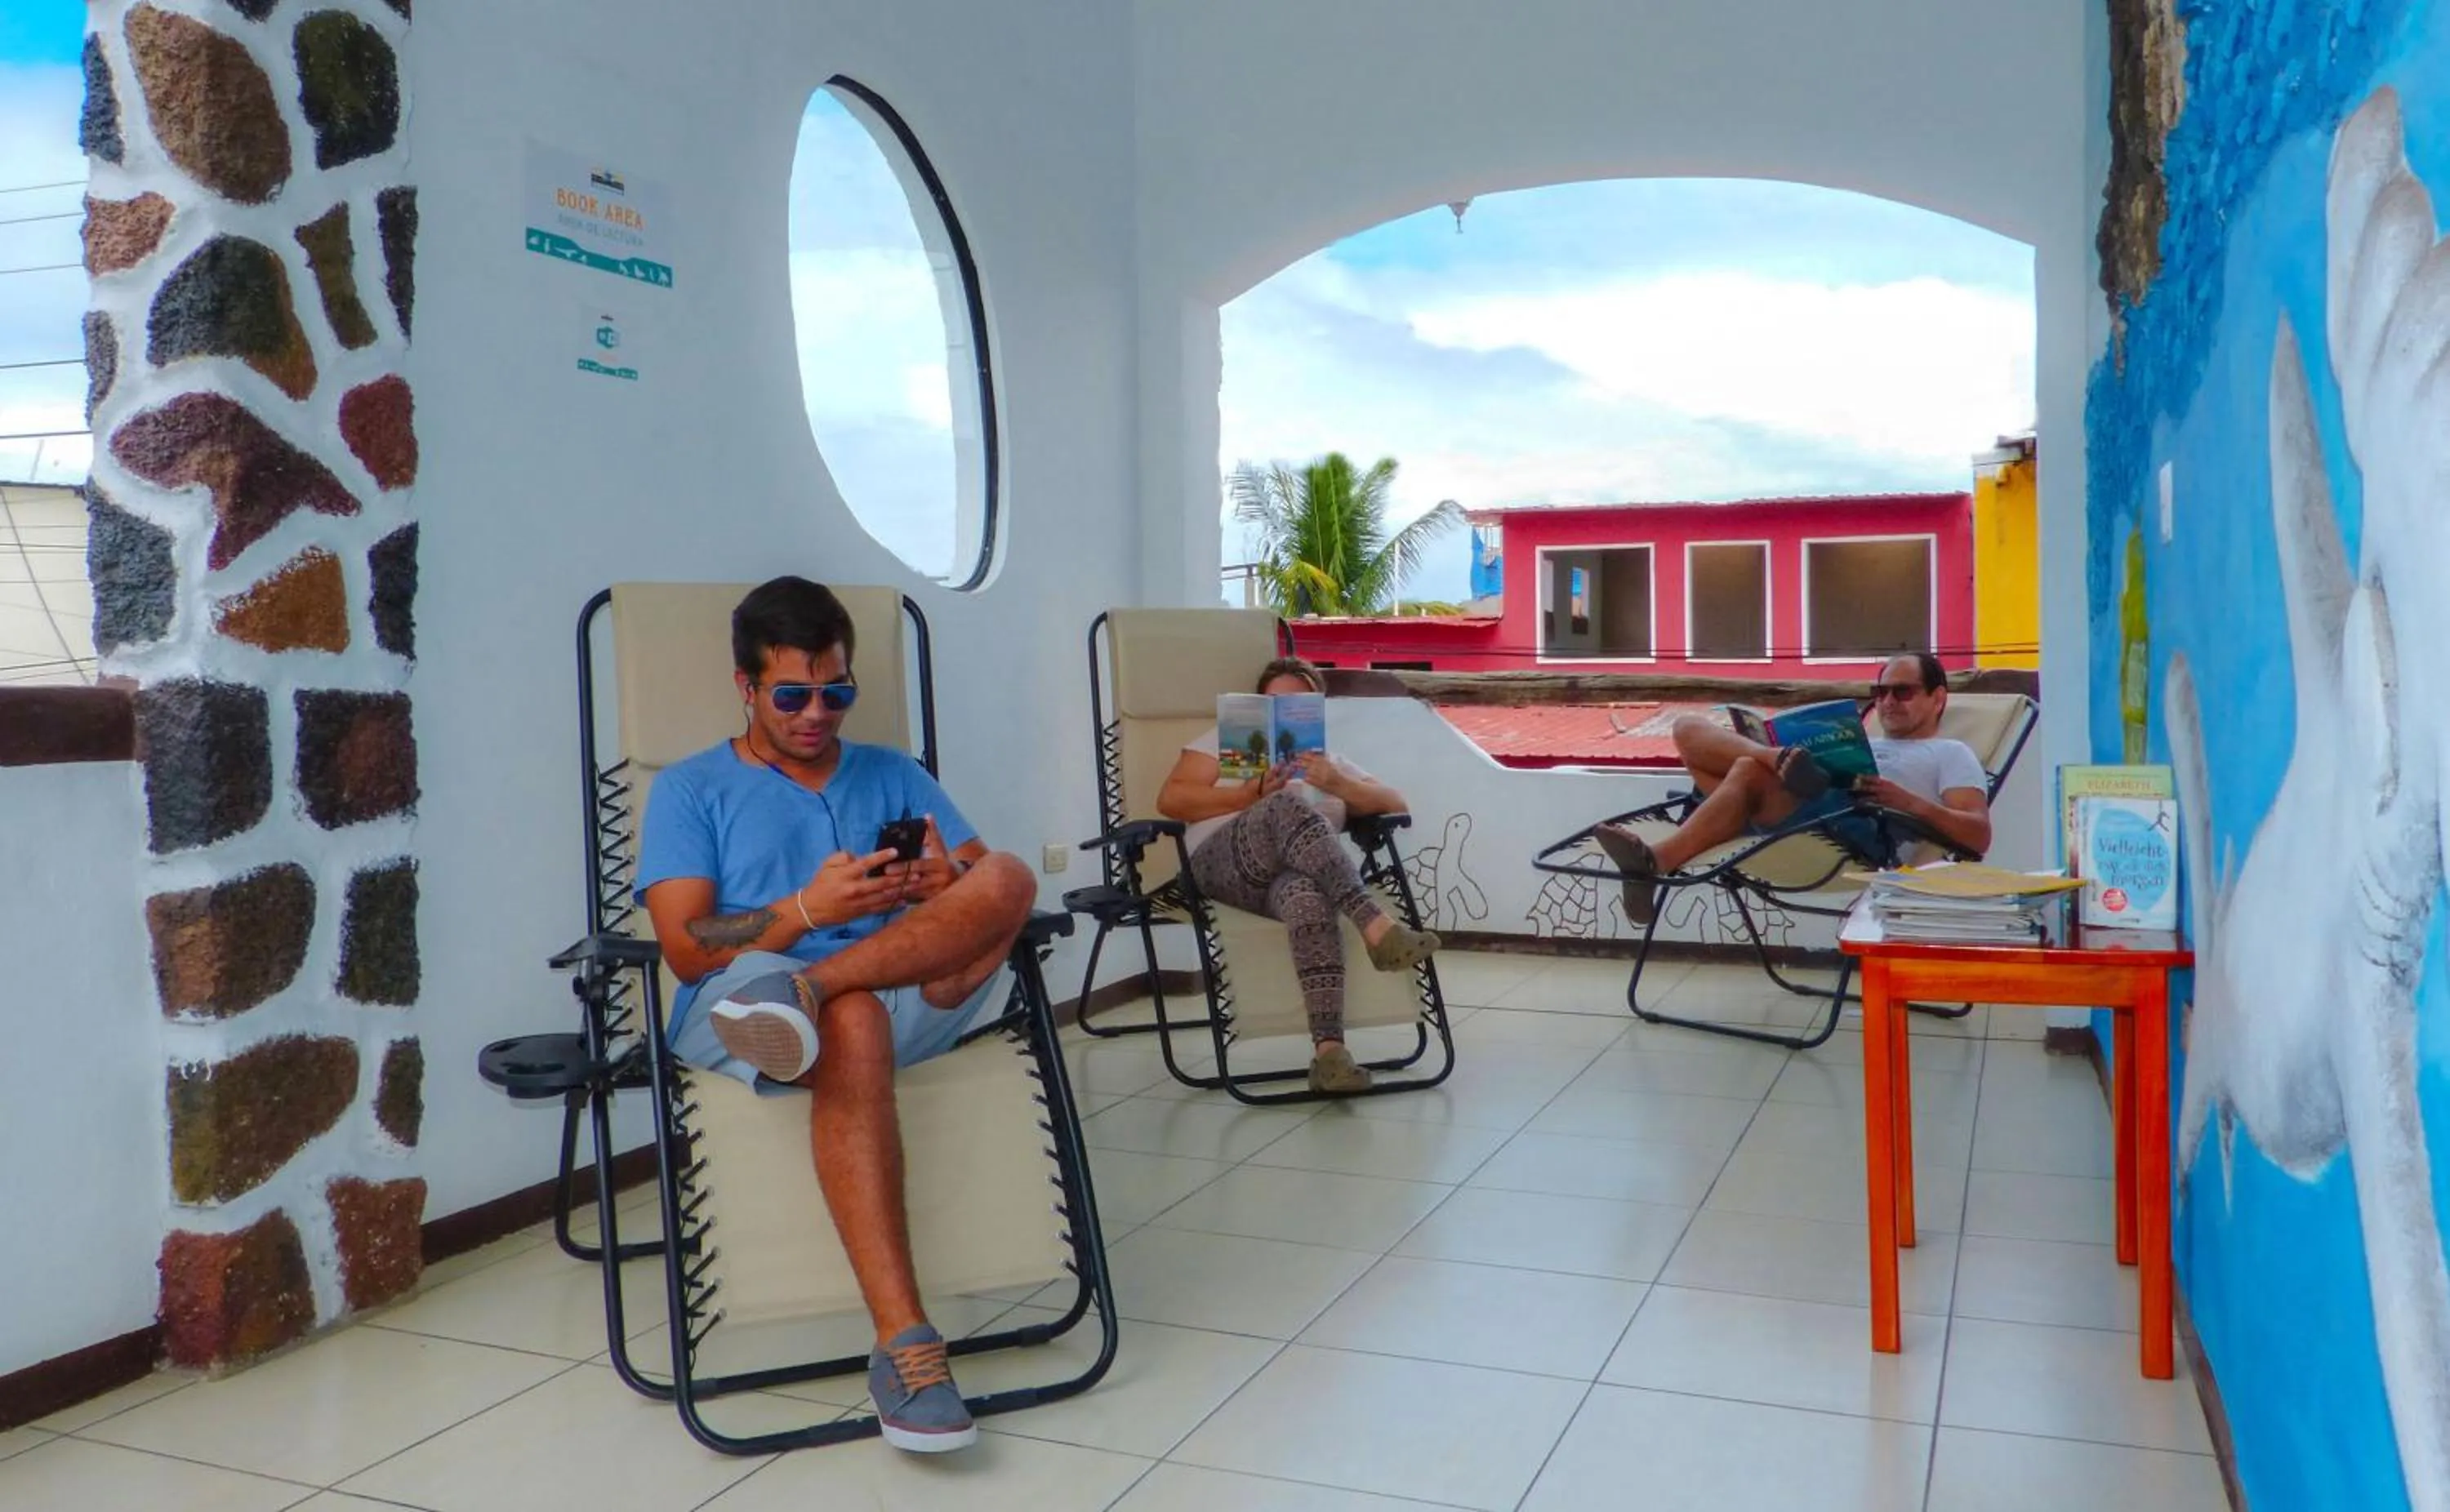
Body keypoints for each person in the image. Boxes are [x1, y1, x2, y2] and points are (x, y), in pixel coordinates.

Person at [635, 576, 1036, 1455]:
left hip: (903, 989)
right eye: (792, 695)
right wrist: (805, 911)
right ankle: (907, 1348)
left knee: (1008, 875)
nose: (817, 713)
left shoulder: (893, 772)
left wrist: (945, 883)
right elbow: (688, 946)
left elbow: (986, 889)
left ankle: (814, 992)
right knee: (853, 1020)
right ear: (746, 687)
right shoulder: (691, 789)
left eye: (836, 693)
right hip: (746, 999)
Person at [1155, 655, 1440, 1094]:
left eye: (1298, 704)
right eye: (1274, 702)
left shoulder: (1332, 764)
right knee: (1286, 804)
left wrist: (1337, 784)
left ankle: (1330, 1056)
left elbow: (1395, 804)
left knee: (1307, 896)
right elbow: (1171, 800)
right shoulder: (1225, 742)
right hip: (1220, 864)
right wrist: (1246, 797)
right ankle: (1376, 926)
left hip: (1283, 882)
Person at [1592, 651, 1993, 924]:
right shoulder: (1862, 739)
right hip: (1782, 809)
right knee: (1686, 728)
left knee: (1747, 769)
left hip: (1856, 832)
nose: (1888, 701)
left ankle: (1656, 861)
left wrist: (1907, 801)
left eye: (1902, 691)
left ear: (1938, 698)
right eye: (1880, 692)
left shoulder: (1951, 753)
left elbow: (1977, 836)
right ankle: (1774, 757)